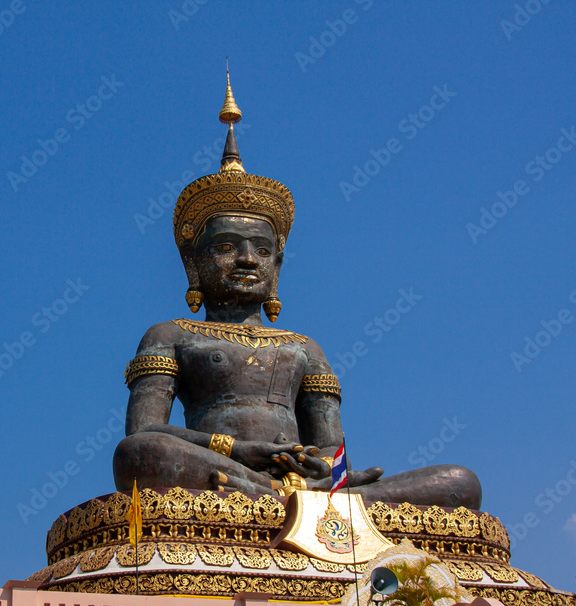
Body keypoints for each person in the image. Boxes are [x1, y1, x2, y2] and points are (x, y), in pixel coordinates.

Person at [112, 78, 481, 509]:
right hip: (223, 469)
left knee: (460, 481)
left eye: (263, 250)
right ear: (194, 263)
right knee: (139, 457)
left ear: (277, 267)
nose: (248, 260)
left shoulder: (303, 347)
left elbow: (329, 447)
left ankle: (300, 497)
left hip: (303, 482)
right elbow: (143, 432)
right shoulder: (170, 334)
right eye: (228, 247)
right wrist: (235, 450)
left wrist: (326, 469)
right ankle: (278, 495)